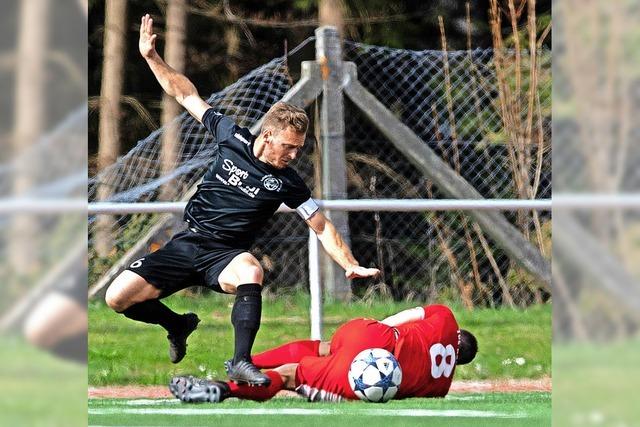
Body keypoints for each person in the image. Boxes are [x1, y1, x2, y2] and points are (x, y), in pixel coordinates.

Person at [104, 14, 380, 387]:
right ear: (268, 135)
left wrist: (350, 264)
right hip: (187, 244)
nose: (295, 155)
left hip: (227, 255)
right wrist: (152, 57)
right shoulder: (230, 137)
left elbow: (321, 225)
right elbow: (186, 94)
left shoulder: (288, 182)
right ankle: (178, 324)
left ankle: (239, 361)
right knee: (117, 298)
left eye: (299, 149)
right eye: (289, 146)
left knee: (251, 270)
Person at [170, 304, 478, 402]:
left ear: (458, 335)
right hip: (373, 378)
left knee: (325, 347)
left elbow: (411, 313)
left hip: (372, 335)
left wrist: (376, 328)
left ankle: (248, 360)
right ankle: (225, 391)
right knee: (290, 376)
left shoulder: (447, 318)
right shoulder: (442, 387)